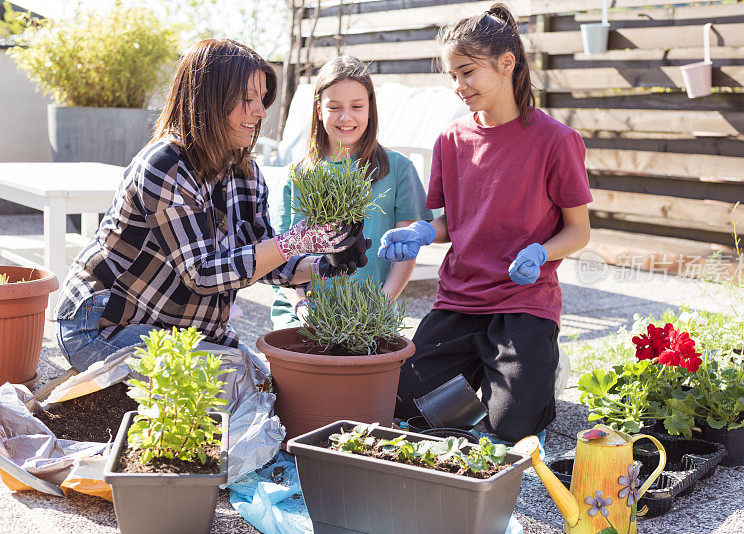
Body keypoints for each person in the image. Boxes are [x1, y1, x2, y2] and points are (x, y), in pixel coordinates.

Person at [56, 39, 357, 373]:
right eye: (248, 99)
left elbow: (266, 261)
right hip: (105, 325)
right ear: (211, 100)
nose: (261, 111)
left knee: (260, 381)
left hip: (177, 329)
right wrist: (292, 242)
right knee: (231, 384)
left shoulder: (246, 172)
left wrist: (324, 264)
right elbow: (201, 273)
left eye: (261, 99)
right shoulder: (165, 165)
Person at [379, 4, 593, 446]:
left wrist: (541, 252)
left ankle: (536, 372)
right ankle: (494, 375)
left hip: (523, 302)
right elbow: (449, 224)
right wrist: (422, 232)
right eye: (452, 76)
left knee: (513, 429)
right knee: (405, 406)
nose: (458, 86)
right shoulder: (452, 139)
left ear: (506, 64)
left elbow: (579, 230)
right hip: (459, 300)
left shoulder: (556, 141)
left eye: (467, 72)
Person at [270, 55, 433, 328]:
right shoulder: (296, 176)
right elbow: (279, 257)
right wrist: (301, 305)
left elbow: (406, 252)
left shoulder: (399, 169)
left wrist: (380, 306)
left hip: (372, 314)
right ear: (319, 110)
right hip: (303, 316)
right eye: (334, 107)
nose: (346, 117)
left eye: (357, 106)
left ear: (370, 108)